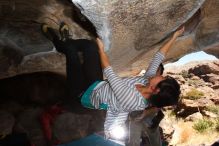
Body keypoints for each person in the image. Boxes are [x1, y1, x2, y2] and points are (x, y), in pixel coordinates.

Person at [41, 22, 184, 139]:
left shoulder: (131, 99)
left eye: (163, 78)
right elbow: (158, 57)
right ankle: (67, 41)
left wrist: (102, 49)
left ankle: (58, 42)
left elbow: (109, 72)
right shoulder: (149, 81)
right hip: (98, 85)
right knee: (89, 47)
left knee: (72, 55)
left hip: (84, 94)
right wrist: (175, 36)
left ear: (156, 89)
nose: (161, 75)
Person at [126, 64, 165, 146]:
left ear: (160, 74)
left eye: (157, 70)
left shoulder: (160, 88)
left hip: (150, 119)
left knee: (155, 142)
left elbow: (159, 106)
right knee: (132, 142)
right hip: (135, 116)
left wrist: (146, 112)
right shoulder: (141, 82)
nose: (153, 71)